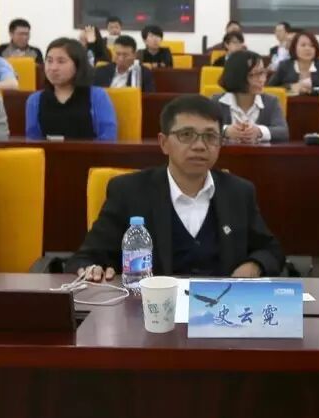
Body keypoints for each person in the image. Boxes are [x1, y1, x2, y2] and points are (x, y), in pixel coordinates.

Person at [67, 95, 285, 280]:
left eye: (210, 136)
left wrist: (255, 266)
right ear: (164, 143)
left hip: (221, 310)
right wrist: (93, 269)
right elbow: (86, 258)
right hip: (150, 311)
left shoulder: (238, 192)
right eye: (186, 135)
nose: (199, 146)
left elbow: (271, 250)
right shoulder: (129, 191)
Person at [26, 38, 118, 140]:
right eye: (49, 61)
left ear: (78, 65)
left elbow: (108, 138)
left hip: (92, 150)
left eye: (61, 61)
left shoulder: (97, 96)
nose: (53, 68)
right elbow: (33, 140)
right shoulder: (35, 100)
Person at [216, 51, 288, 142]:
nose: (262, 80)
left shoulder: (271, 102)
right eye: (254, 75)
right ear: (237, 76)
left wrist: (259, 132)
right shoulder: (217, 101)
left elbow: (283, 132)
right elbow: (202, 129)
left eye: (262, 72)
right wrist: (225, 131)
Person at [268, 30, 319, 94]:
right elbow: (270, 88)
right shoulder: (285, 65)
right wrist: (291, 87)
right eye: (303, 45)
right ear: (294, 48)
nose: (307, 48)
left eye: (312, 46)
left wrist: (312, 90)